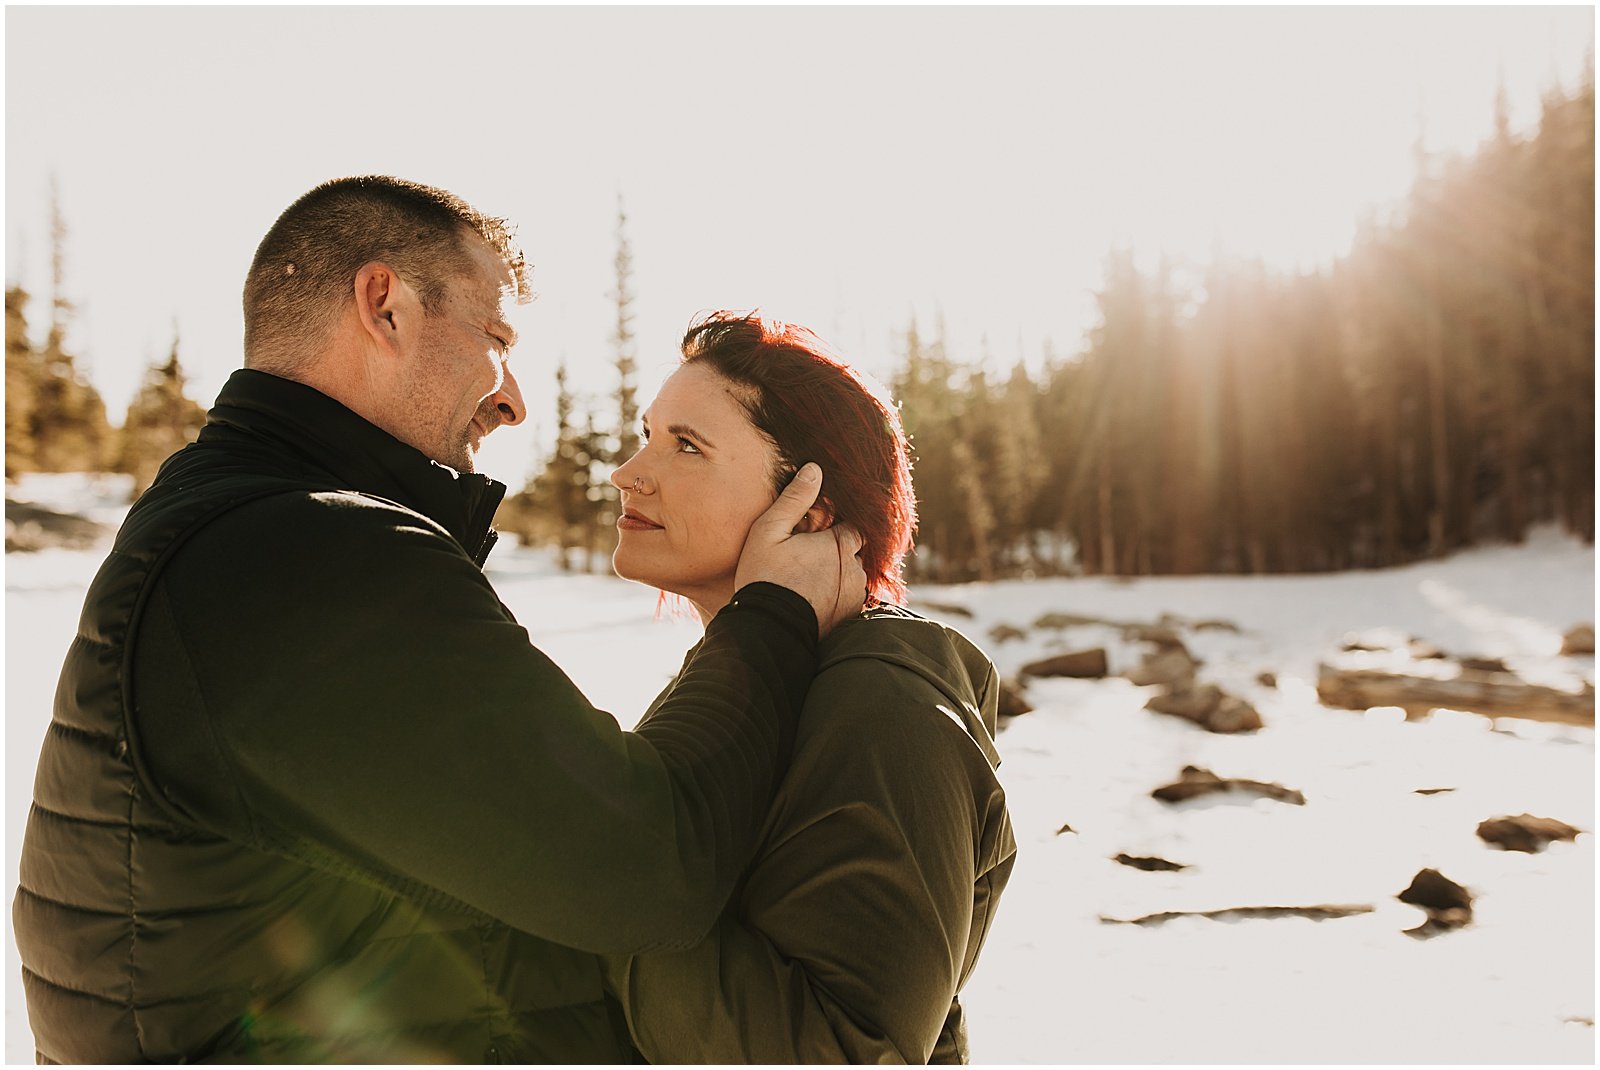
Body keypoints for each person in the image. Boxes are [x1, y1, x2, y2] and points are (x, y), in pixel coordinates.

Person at [11, 177, 865, 1064]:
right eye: (496, 338)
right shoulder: (307, 551)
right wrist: (771, 615)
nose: (514, 400)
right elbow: (650, 873)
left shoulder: (233, 519)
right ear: (384, 306)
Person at [601, 312, 1016, 1063]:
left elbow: (843, 1050)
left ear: (809, 510)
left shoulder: (881, 708)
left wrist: (591, 882)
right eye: (648, 433)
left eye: (685, 446)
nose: (627, 471)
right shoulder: (748, 683)